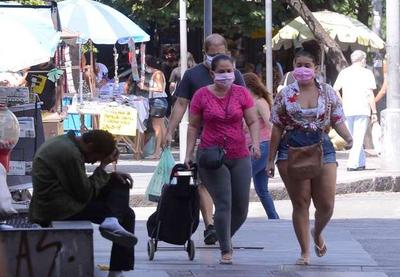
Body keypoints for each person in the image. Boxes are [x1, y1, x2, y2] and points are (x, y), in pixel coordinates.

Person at [267, 49, 353, 265]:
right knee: (301, 201)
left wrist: (348, 137)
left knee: (326, 204)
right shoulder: (285, 94)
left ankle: (317, 232)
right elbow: (276, 127)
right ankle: (305, 251)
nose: (302, 69)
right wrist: (270, 159)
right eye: (298, 65)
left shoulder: (328, 92)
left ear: (316, 68)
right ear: (293, 67)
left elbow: (337, 118)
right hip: (291, 148)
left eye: (307, 65)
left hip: (322, 146)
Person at [164, 33, 246, 245]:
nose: (216, 57)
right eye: (212, 54)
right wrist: (169, 130)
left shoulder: (233, 74)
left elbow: (246, 105)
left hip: (233, 142)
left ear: (227, 52)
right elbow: (181, 104)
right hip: (205, 139)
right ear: (204, 54)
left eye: (220, 53)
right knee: (204, 183)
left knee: (231, 198)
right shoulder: (192, 75)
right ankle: (210, 224)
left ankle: (221, 229)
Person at [184, 54, 260, 264]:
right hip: (211, 154)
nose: (226, 75)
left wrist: (254, 143)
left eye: (230, 71)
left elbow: (253, 121)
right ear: (212, 73)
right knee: (224, 202)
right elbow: (193, 126)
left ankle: (221, 234)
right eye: (221, 71)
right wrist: (188, 154)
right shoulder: (201, 95)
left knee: (241, 208)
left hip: (239, 154)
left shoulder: (242, 93)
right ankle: (226, 250)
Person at [29, 130, 137, 276]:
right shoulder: (70, 153)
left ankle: (112, 221)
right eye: (96, 158)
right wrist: (103, 167)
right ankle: (112, 222)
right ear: (90, 145)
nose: (92, 162)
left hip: (65, 199)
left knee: (119, 184)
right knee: (127, 214)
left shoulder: (66, 143)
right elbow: (84, 193)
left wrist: (109, 176)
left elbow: (83, 187)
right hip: (57, 208)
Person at [333, 50, 378, 171]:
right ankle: (352, 164)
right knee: (358, 137)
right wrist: (374, 112)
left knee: (354, 137)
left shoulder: (344, 72)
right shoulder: (367, 73)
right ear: (362, 60)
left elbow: (335, 89)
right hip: (362, 108)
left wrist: (342, 102)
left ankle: (361, 162)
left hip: (347, 108)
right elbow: (369, 93)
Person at [243, 73, 279, 219]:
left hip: (262, 146)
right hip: (254, 146)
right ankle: (274, 218)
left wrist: (277, 146)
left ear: (249, 86)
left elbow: (271, 124)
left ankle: (235, 215)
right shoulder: (248, 102)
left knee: (241, 181)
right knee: (261, 189)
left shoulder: (259, 102)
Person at [139, 55, 168, 159]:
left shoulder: (157, 74)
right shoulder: (156, 74)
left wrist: (145, 88)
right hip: (158, 101)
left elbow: (159, 89)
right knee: (161, 127)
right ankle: (164, 149)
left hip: (158, 101)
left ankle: (157, 152)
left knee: (157, 128)